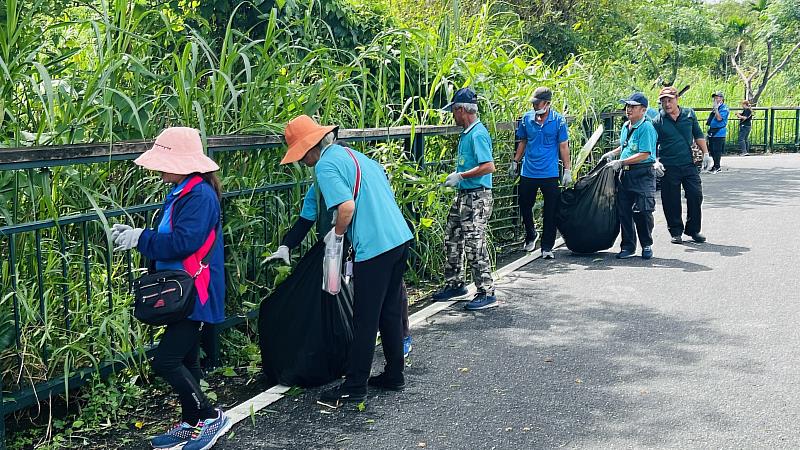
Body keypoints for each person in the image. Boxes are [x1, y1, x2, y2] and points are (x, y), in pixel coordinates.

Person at [279, 115, 413, 406]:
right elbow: (308, 214)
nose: (300, 161)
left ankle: (354, 385)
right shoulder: (353, 157)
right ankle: (394, 374)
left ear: (312, 147)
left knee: (365, 318)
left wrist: (336, 236)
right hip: (399, 239)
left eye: (301, 154)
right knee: (388, 312)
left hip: (374, 248)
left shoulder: (326, 166)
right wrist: (286, 246)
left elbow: (347, 208)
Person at [110, 127, 230, 450]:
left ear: (182, 162)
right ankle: (191, 423)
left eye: (164, 160)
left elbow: (183, 242)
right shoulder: (183, 191)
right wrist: (139, 235)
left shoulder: (199, 196)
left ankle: (210, 416)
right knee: (187, 359)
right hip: (182, 292)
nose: (158, 167)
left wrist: (141, 238)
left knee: (165, 360)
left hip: (196, 292)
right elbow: (173, 236)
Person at [265, 180, 414, 358]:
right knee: (335, 292)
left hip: (374, 242)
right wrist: (286, 246)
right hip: (337, 246)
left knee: (389, 294)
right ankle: (341, 346)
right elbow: (305, 221)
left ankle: (401, 337)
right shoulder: (319, 188)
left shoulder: (362, 180)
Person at [431, 87, 497, 311]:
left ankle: (486, 290)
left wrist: (461, 176)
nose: (452, 115)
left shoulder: (478, 134)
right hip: (464, 194)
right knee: (452, 235)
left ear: (461, 110)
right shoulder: (467, 133)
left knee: (474, 243)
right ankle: (455, 283)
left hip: (477, 195)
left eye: (453, 110)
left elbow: (488, 166)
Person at [509, 86, 572, 259]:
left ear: (547, 103)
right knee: (524, 204)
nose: (535, 106)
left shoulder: (558, 121)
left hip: (549, 172)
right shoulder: (526, 119)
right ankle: (531, 233)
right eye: (534, 103)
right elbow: (522, 141)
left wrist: (567, 169)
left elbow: (563, 146)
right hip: (529, 171)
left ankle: (547, 247)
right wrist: (515, 162)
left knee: (551, 211)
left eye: (538, 103)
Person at [651, 86, 713, 245]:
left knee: (695, 194)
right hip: (669, 165)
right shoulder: (658, 121)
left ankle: (693, 230)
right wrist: (655, 161)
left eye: (669, 100)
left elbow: (698, 134)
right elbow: (652, 144)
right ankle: (675, 231)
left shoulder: (689, 114)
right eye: (663, 101)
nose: (667, 104)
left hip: (689, 164)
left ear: (677, 99)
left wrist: (706, 153)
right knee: (670, 199)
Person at [600, 93, 658, 260]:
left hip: (642, 173)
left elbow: (645, 153)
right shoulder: (627, 126)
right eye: (628, 106)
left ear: (643, 110)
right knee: (624, 211)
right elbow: (625, 146)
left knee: (643, 211)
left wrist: (622, 161)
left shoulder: (646, 128)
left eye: (633, 106)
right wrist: (613, 154)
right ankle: (628, 246)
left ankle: (646, 244)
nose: (629, 109)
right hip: (625, 174)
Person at [706, 91, 729, 173]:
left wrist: (716, 109)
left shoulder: (724, 108)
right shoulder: (716, 107)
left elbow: (719, 118)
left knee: (717, 150)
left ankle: (717, 166)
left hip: (719, 132)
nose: (716, 99)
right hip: (712, 130)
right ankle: (715, 165)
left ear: (722, 98)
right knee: (711, 149)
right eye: (715, 97)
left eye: (718, 97)